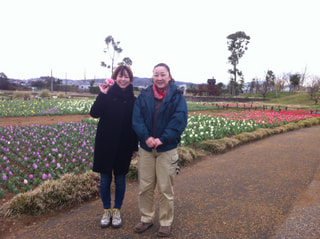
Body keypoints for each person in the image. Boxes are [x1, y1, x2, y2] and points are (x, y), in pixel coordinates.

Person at [132, 63, 188, 237]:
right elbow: (137, 118)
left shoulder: (177, 96)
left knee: (165, 188)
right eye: (156, 74)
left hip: (167, 149)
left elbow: (179, 120)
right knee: (145, 187)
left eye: (163, 74)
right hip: (147, 149)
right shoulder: (144, 95)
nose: (159, 78)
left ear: (169, 76)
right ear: (152, 77)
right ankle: (146, 219)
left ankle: (165, 222)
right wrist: (146, 137)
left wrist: (162, 139)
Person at [90, 65, 138, 228]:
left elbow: (134, 125)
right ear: (115, 77)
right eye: (120, 76)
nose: (123, 79)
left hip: (124, 144)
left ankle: (116, 210)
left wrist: (134, 147)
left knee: (120, 178)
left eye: (126, 76)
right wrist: (102, 94)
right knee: (105, 179)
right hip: (105, 143)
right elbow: (94, 113)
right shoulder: (107, 95)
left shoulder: (133, 100)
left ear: (130, 79)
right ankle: (106, 210)